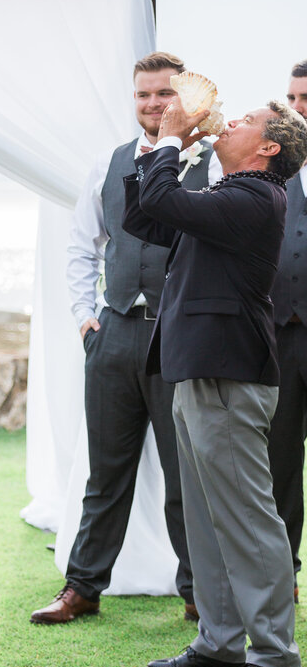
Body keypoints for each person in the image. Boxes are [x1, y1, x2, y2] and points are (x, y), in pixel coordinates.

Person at [124, 96, 307, 667]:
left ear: (268, 147)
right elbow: (145, 217)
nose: (230, 121)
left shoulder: (255, 198)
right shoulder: (226, 197)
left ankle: (276, 655)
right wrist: (163, 147)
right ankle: (221, 640)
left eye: (246, 120)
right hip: (201, 367)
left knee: (249, 519)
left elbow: (160, 201)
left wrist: (173, 141)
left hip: (228, 373)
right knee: (206, 515)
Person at [31, 52, 220, 627]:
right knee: (104, 469)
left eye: (165, 94)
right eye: (144, 95)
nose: (154, 104)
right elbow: (82, 244)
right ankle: (83, 587)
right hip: (112, 334)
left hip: (178, 338)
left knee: (185, 471)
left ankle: (198, 592)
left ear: (185, 100)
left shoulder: (211, 166)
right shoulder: (107, 163)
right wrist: (85, 317)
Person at [267, 61, 307, 600]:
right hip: (277, 338)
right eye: (295, 99)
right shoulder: (270, 170)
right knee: (278, 461)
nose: (302, 109)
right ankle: (283, 574)